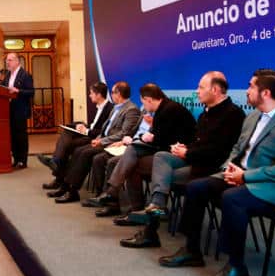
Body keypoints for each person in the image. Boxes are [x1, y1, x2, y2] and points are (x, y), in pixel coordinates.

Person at [159, 69, 275, 276]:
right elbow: (237, 149)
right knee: (196, 187)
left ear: (265, 93)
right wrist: (229, 169)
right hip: (242, 176)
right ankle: (192, 250)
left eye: (251, 86)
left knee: (232, 198)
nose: (247, 90)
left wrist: (245, 176)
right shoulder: (252, 116)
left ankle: (236, 267)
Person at [119, 72, 245, 249]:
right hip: (194, 159)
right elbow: (199, 142)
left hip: (210, 168)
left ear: (215, 89)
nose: (197, 91)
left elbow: (219, 151)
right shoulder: (205, 114)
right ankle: (157, 206)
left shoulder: (233, 114)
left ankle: (151, 227)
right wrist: (184, 148)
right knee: (161, 157)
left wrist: (188, 153)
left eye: (201, 87)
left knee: (161, 174)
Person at [83, 83, 196, 215]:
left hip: (175, 154)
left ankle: (118, 197)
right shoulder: (163, 108)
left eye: (144, 103)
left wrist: (148, 138)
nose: (144, 107)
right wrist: (145, 137)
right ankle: (125, 203)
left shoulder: (168, 110)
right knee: (132, 151)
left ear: (148, 99)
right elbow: (162, 135)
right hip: (164, 149)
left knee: (132, 161)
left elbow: (164, 141)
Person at [50, 81, 141, 203]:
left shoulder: (131, 110)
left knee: (85, 153)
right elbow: (105, 128)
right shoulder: (116, 108)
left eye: (113, 92)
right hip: (103, 140)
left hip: (113, 144)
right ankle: (66, 186)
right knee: (78, 150)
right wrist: (98, 138)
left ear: (118, 94)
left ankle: (72, 190)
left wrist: (102, 141)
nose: (111, 95)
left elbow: (124, 133)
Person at [39, 81, 112, 189]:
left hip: (95, 138)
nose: (89, 95)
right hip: (89, 133)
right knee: (67, 133)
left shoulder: (109, 109)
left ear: (99, 95)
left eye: (91, 93)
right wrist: (82, 127)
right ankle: (57, 167)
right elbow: (93, 126)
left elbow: (103, 132)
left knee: (67, 145)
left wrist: (85, 130)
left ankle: (57, 168)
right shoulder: (99, 107)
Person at [0, 53, 34, 168]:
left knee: (21, 136)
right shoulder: (8, 74)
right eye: (6, 60)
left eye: (10, 60)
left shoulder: (25, 75)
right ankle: (16, 158)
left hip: (20, 110)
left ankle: (22, 161)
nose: (7, 62)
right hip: (9, 110)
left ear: (17, 61)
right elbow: (4, 88)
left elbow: (31, 92)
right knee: (13, 136)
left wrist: (18, 91)